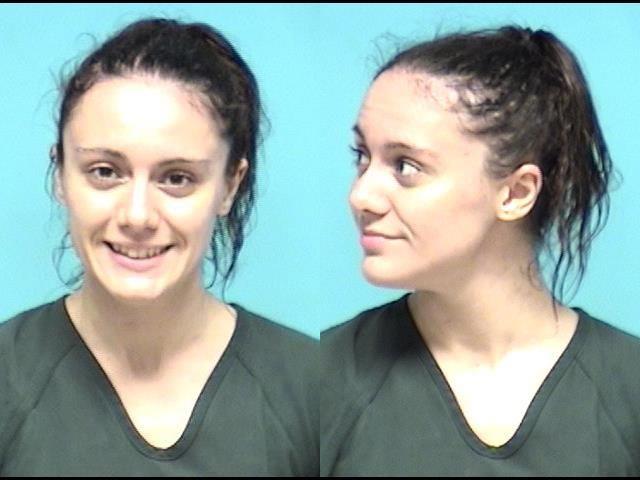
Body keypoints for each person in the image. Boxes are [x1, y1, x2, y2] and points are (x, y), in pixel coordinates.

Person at [0, 18, 317, 476]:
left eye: (177, 178)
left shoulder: (313, 391)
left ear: (230, 185)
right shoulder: (9, 379)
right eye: (105, 171)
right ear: (61, 175)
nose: (137, 216)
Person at [321, 25, 640, 476]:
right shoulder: (318, 382)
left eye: (406, 166)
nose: (361, 197)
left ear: (515, 193)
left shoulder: (628, 391)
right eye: (362, 157)